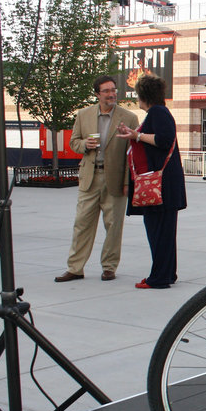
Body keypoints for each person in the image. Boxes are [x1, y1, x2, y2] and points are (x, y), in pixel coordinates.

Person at [55, 76, 140, 282]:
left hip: (116, 179)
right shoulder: (83, 115)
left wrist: (128, 182)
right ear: (97, 94)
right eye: (106, 91)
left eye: (113, 90)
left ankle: (109, 267)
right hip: (89, 178)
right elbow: (73, 142)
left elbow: (132, 153)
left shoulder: (128, 118)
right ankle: (75, 268)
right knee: (82, 224)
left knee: (113, 226)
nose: (111, 94)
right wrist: (84, 144)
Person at [116, 75, 186, 289]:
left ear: (143, 95)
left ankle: (159, 277)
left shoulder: (157, 112)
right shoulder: (160, 112)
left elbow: (163, 140)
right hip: (164, 185)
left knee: (159, 232)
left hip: (159, 187)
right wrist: (133, 134)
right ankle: (166, 273)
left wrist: (136, 136)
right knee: (163, 231)